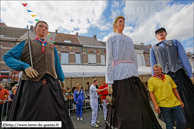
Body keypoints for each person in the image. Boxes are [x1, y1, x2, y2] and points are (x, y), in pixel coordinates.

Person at [3, 21, 74, 128]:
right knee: (28, 114)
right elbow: (7, 57)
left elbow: (56, 64)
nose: (43, 29)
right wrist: (25, 66)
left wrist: (62, 78)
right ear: (35, 29)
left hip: (52, 85)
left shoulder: (52, 46)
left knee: (56, 113)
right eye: (40, 26)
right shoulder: (26, 43)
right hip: (31, 85)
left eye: (46, 27)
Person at [105, 16, 162, 129]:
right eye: (120, 21)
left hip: (132, 74)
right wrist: (109, 82)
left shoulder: (129, 39)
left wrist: (136, 74)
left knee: (139, 101)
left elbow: (134, 58)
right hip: (119, 73)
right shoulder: (111, 38)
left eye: (124, 22)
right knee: (122, 103)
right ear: (115, 24)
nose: (123, 23)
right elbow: (109, 60)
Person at [150, 27, 194, 128]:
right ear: (156, 37)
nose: (160, 33)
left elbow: (183, 58)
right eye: (158, 33)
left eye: (162, 32)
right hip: (164, 76)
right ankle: (174, 123)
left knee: (186, 97)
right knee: (167, 99)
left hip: (178, 72)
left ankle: (189, 122)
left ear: (166, 33)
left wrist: (190, 75)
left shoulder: (175, 42)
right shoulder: (153, 48)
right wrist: (154, 79)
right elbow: (153, 64)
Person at [148, 64, 186, 129]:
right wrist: (155, 105)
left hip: (174, 103)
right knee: (169, 123)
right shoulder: (151, 80)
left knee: (182, 121)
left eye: (157, 70)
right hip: (163, 105)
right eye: (154, 70)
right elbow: (151, 93)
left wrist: (180, 100)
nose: (156, 71)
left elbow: (174, 88)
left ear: (161, 70)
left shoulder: (168, 77)